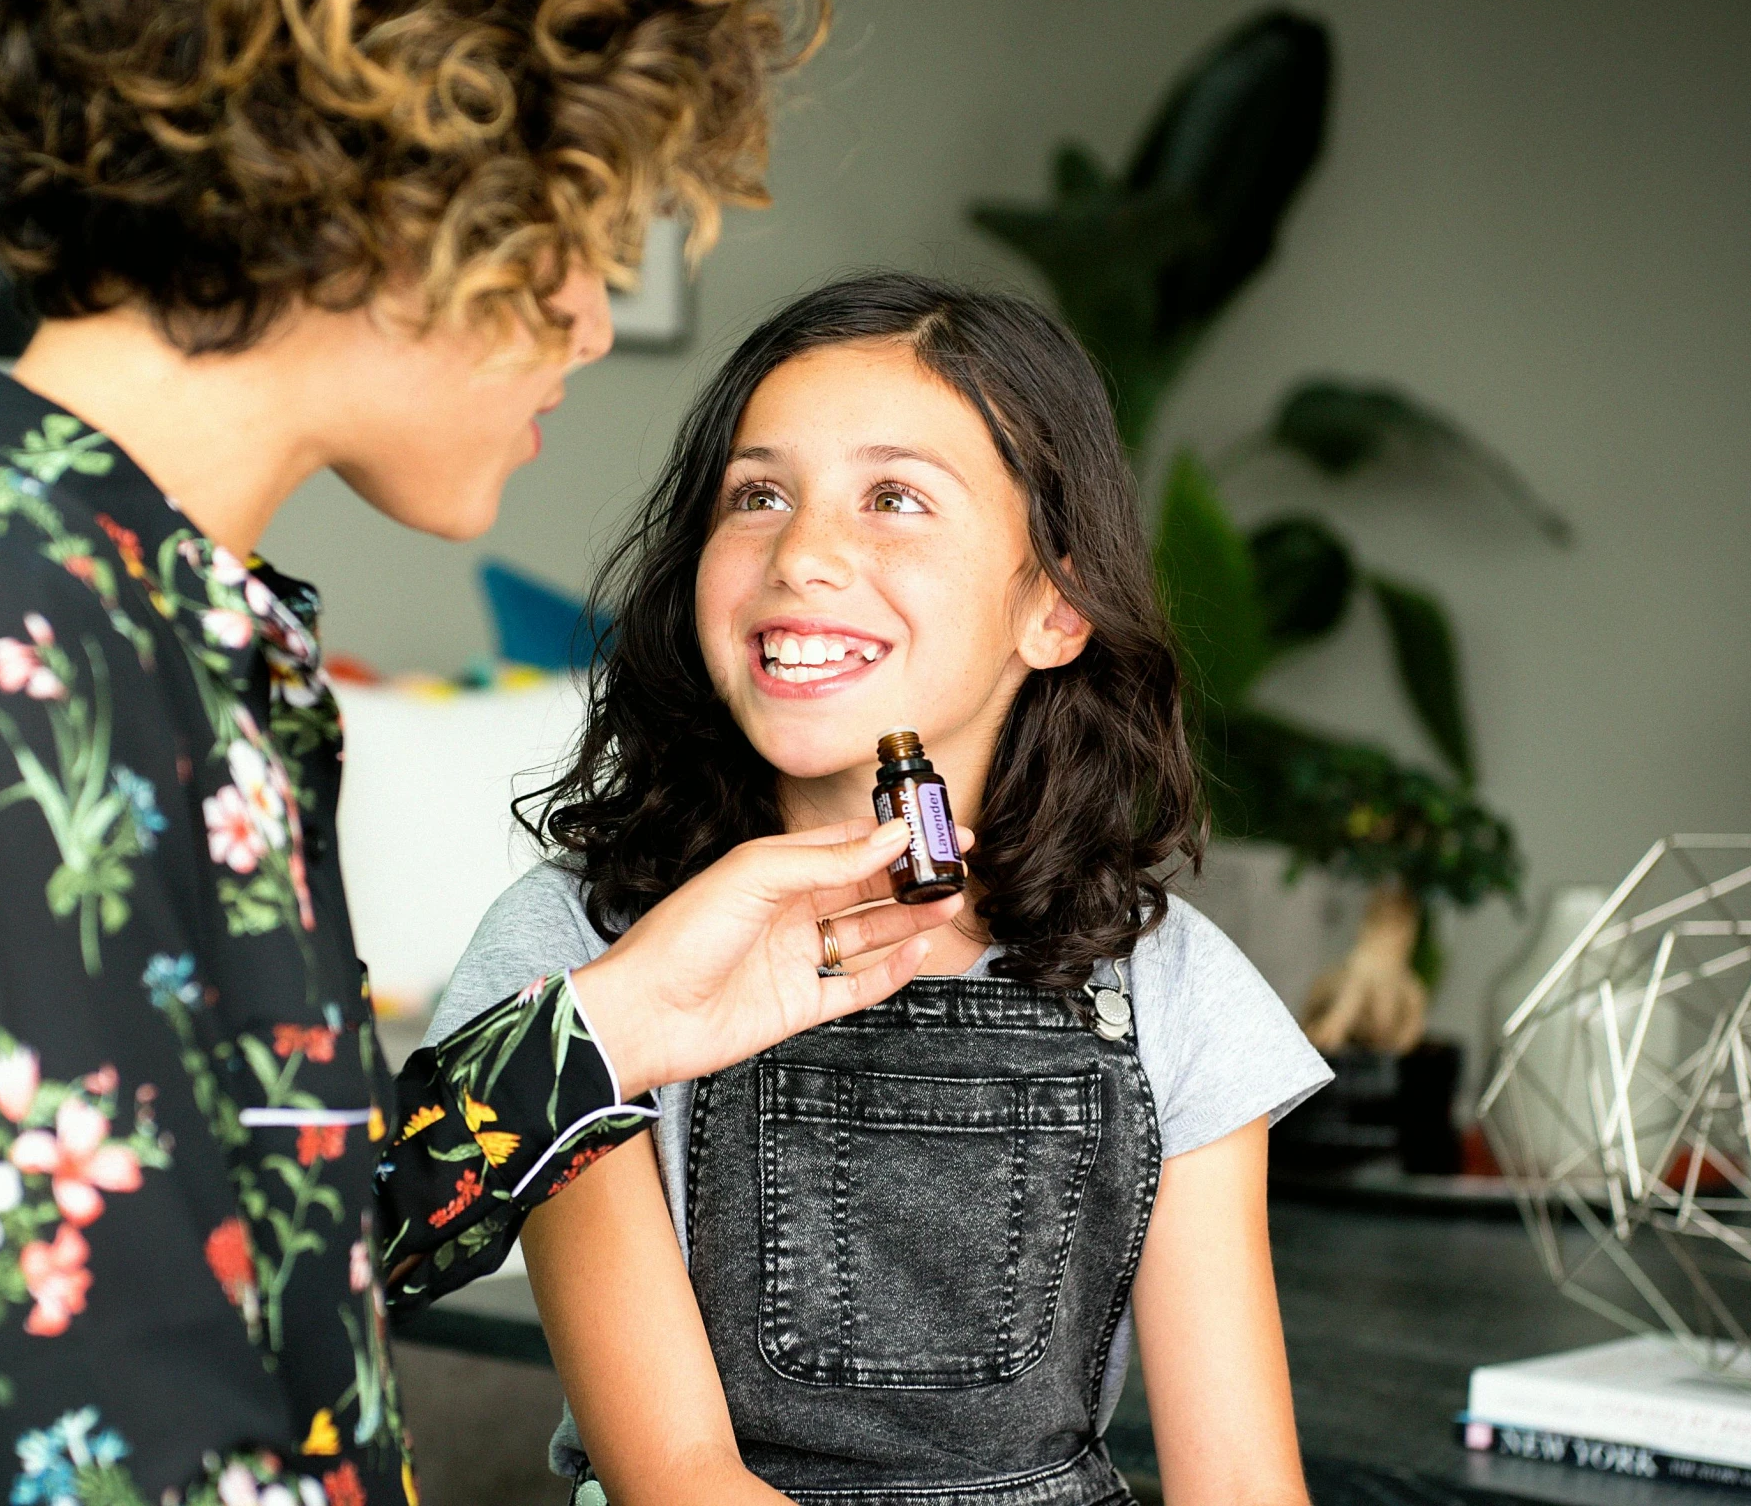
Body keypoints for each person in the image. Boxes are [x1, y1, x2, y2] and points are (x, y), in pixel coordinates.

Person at [0, 0, 980, 1506]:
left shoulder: (97, 597)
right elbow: (115, 1447)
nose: (590, 314)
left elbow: (216, 1254)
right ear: (400, 174)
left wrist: (617, 1026)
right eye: (582, 223)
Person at [432, 273, 1333, 1506]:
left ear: (1056, 605)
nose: (802, 553)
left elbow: (1241, 1484)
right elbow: (678, 1477)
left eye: (895, 498)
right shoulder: (578, 956)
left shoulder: (1172, 981)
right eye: (757, 495)